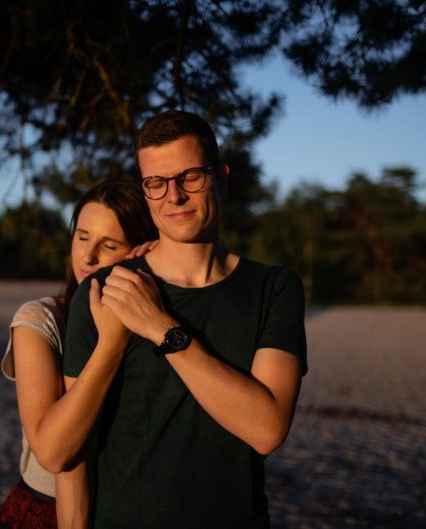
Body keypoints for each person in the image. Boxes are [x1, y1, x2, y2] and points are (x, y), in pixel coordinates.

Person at [62, 110, 308, 529]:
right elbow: (72, 453)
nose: (173, 196)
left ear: (222, 178)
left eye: (190, 177)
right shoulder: (105, 291)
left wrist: (161, 328)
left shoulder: (274, 287)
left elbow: (267, 429)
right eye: (156, 183)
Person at [0, 180, 158, 529]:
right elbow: (52, 451)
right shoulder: (40, 319)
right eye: (82, 236)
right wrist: (112, 343)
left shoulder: (154, 324)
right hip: (44, 510)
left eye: (109, 244)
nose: (88, 256)